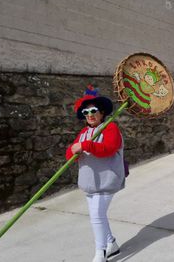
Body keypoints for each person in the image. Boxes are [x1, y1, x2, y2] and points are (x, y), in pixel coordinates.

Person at [66, 93, 124, 262]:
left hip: (106, 181)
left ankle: (100, 253)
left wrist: (85, 145)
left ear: (102, 112)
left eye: (93, 110)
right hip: (89, 182)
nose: (90, 115)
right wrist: (73, 152)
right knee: (98, 215)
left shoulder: (110, 127)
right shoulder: (84, 132)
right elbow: (70, 153)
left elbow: (109, 148)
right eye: (86, 112)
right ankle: (111, 243)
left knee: (96, 216)